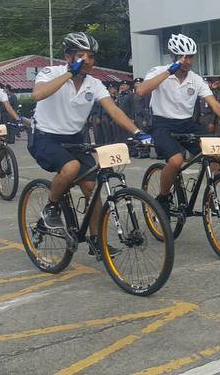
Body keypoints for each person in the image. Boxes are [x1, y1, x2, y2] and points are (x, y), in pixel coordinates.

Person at [27, 32, 151, 253]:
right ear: (68, 57)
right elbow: (38, 94)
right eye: (80, 56)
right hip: (45, 137)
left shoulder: (94, 84)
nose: (87, 61)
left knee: (91, 188)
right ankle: (51, 209)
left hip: (75, 139)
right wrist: (68, 74)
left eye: (91, 56)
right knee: (71, 167)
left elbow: (113, 109)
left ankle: (96, 240)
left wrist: (138, 132)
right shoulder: (50, 72)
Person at [136, 33, 220, 217]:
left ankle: (212, 202)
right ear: (172, 56)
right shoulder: (158, 71)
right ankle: (163, 197)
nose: (188, 61)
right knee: (176, 160)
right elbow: (141, 91)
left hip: (187, 124)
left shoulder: (196, 79)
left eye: (191, 56)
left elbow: (215, 104)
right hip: (162, 123)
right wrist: (169, 72)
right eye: (183, 56)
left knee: (214, 153)